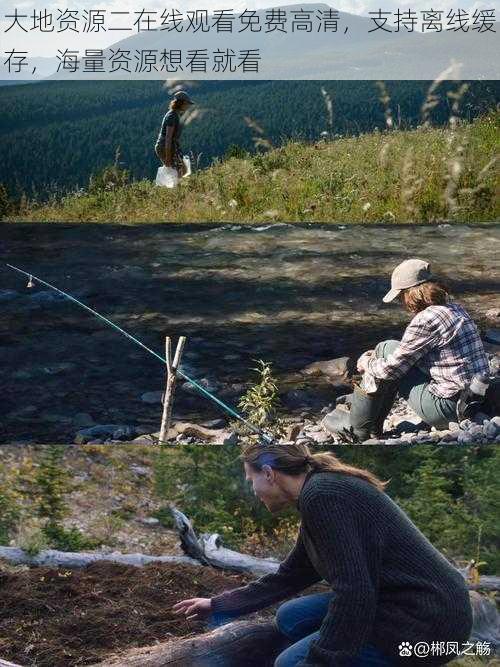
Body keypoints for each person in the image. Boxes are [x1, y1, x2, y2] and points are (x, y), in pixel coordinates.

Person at [173, 443, 473, 666]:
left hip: (427, 622)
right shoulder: (318, 493)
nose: (253, 491)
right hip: (403, 600)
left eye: (251, 482)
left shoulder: (324, 496)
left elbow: (355, 591)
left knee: (288, 664)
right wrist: (218, 603)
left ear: (269, 473)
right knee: (290, 617)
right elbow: (290, 575)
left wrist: (321, 659)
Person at [322, 258, 489, 441]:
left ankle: (358, 429)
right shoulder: (455, 308)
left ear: (410, 294)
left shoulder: (424, 320)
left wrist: (367, 363)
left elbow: (390, 371)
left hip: (447, 408)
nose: (402, 302)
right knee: (389, 350)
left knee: (385, 349)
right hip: (475, 400)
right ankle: (372, 427)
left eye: (401, 296)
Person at [155, 90, 194, 176]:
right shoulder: (172, 116)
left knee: (182, 170)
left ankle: (175, 187)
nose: (188, 106)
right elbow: (168, 138)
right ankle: (173, 188)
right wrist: (168, 157)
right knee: (177, 172)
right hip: (165, 147)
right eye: (188, 103)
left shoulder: (175, 114)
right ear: (182, 103)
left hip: (169, 146)